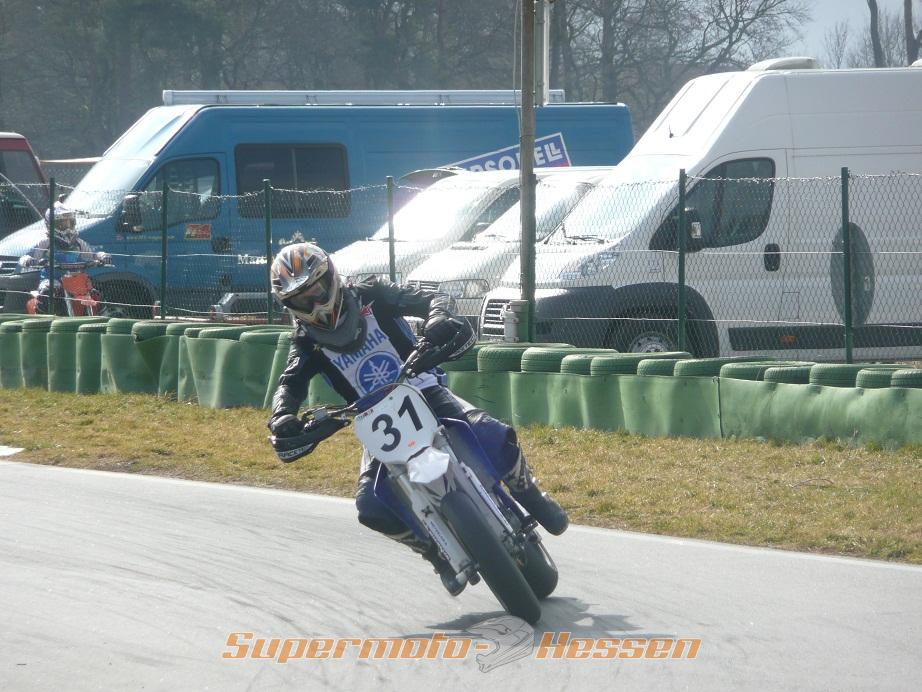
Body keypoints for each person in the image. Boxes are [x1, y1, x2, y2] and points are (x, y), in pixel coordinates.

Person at [267, 242, 568, 596]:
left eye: (317, 291)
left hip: (421, 386)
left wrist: (437, 317)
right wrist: (282, 414)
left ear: (331, 278)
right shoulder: (305, 343)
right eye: (302, 300)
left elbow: (431, 298)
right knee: (371, 503)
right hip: (374, 420)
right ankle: (435, 552)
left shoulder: (372, 293)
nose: (315, 305)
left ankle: (530, 494)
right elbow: (290, 383)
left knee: (489, 432)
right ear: (290, 306)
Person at [18, 200, 110, 314]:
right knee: (48, 292)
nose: (67, 228)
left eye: (69, 223)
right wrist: (28, 260)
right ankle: (42, 320)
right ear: (50, 224)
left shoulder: (78, 243)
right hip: (52, 279)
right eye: (62, 224)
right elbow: (28, 256)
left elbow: (92, 255)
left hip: (76, 280)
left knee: (96, 294)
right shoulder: (45, 242)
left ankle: (103, 318)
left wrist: (102, 256)